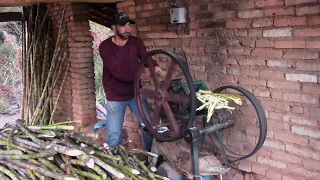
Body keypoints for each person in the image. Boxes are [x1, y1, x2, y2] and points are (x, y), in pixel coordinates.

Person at [99, 12, 163, 152]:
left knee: (148, 127)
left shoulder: (136, 42)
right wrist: (143, 75)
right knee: (115, 134)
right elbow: (117, 72)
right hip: (115, 96)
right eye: (123, 26)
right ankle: (115, 164)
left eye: (128, 25)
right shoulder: (105, 47)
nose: (127, 29)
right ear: (114, 27)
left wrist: (154, 66)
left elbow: (146, 58)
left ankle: (150, 157)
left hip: (135, 93)